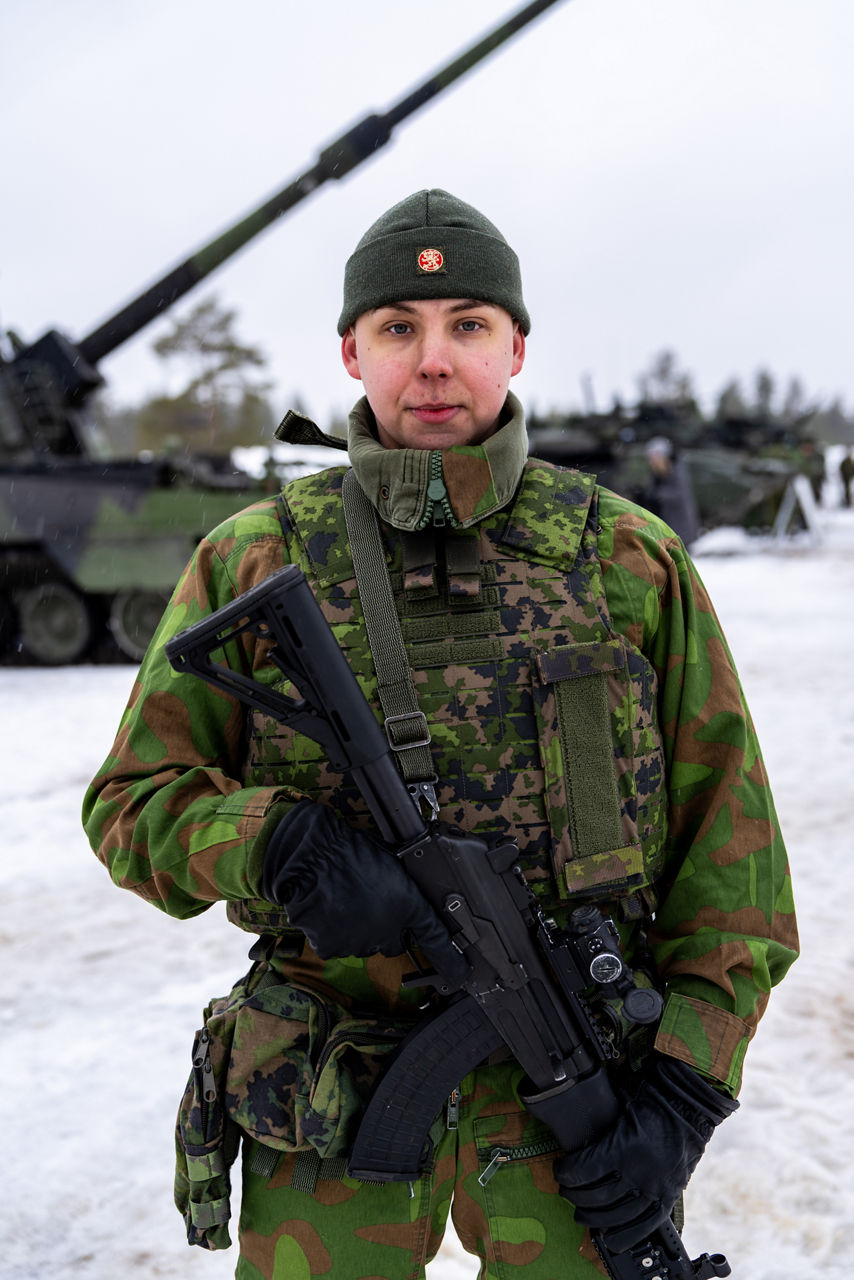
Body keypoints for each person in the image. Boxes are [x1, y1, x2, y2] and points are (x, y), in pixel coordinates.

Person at [83, 189, 798, 1280]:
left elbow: (731, 863)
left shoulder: (627, 559)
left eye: (466, 324)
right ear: (349, 352)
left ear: (514, 345)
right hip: (328, 1095)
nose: (432, 361)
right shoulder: (252, 557)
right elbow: (131, 802)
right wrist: (275, 844)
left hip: (577, 1102)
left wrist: (687, 1089)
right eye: (397, 328)